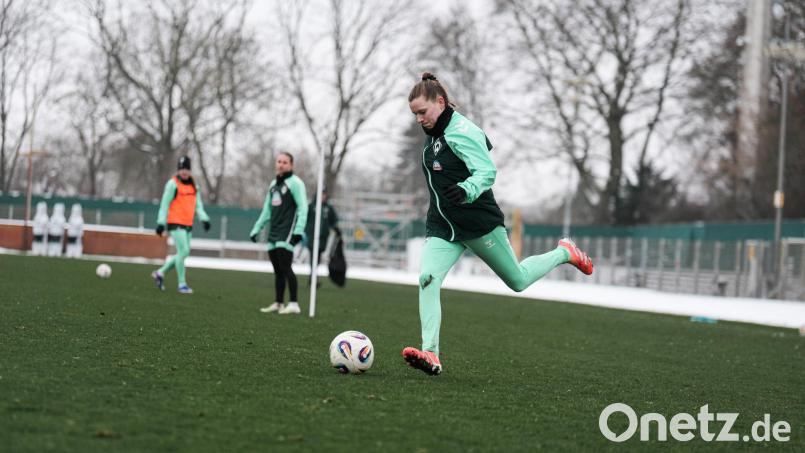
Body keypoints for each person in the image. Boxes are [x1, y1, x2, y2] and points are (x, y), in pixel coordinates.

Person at [402, 73, 594, 376]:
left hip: (479, 223)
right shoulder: (434, 134)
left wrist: (466, 189)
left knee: (517, 281)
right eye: (414, 114)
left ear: (439, 102)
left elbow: (487, 171)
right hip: (443, 226)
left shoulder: (463, 131)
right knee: (427, 278)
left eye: (422, 112)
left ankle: (564, 252)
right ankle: (431, 353)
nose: (418, 119)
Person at [250, 152, 308, 315]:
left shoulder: (295, 183)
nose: (281, 164)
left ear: (291, 165)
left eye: (285, 162)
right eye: (279, 161)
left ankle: (294, 303)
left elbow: (303, 207)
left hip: (287, 229)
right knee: (277, 269)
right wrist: (257, 228)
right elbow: (267, 210)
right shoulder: (273, 184)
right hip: (274, 230)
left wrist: (298, 230)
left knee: (285, 266)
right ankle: (278, 303)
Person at [151, 156, 211, 294]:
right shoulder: (172, 184)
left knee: (182, 253)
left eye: (186, 169)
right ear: (178, 170)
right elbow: (164, 205)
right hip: (175, 223)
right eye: (181, 168)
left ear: (190, 170)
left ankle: (160, 273)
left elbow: (198, 205)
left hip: (188, 224)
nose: (184, 171)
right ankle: (182, 284)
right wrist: (161, 223)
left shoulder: (194, 186)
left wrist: (204, 219)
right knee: (184, 252)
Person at [304, 187, 340, 287]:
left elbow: (333, 220)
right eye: (321, 194)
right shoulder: (311, 206)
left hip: (323, 238)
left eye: (324, 194)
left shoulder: (328, 208)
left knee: (318, 258)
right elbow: (304, 218)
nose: (323, 196)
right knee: (313, 257)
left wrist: (336, 229)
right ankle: (313, 279)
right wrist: (306, 230)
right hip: (312, 236)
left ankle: (313, 278)